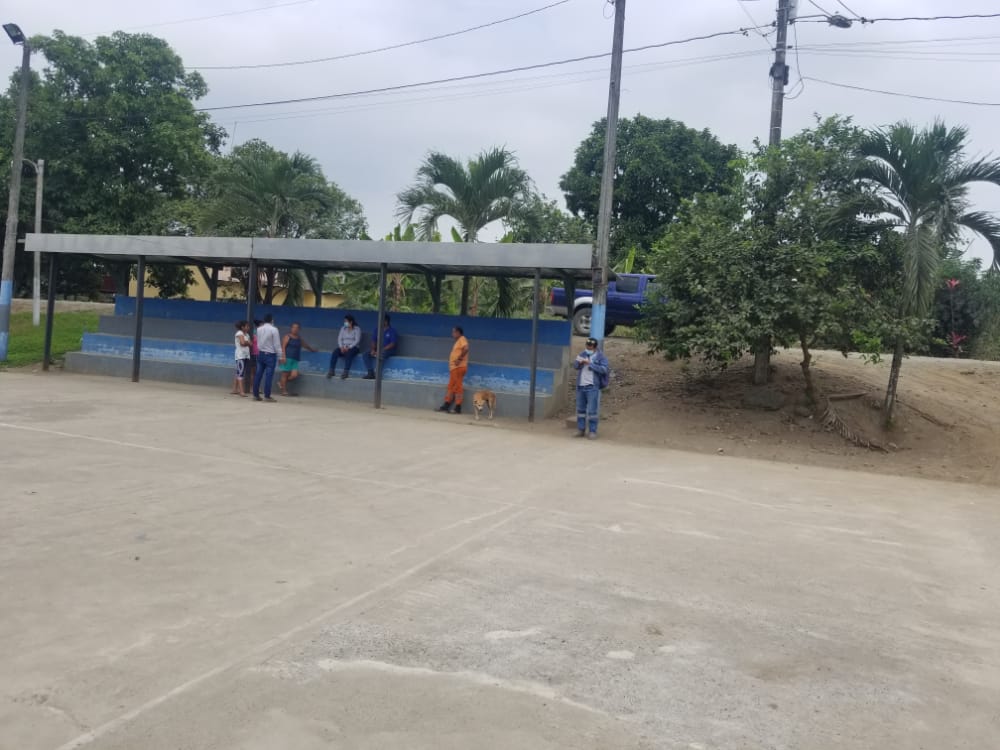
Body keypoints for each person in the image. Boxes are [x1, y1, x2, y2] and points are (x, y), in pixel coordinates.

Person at [573, 337, 609, 439]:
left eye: (590, 347)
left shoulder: (601, 357)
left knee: (592, 411)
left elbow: (604, 369)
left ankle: (592, 431)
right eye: (587, 346)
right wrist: (580, 362)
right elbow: (575, 366)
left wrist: (590, 364)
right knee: (580, 410)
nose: (588, 348)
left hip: (592, 387)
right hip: (581, 386)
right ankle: (581, 429)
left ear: (595, 347)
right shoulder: (582, 354)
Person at [278, 322, 318, 396]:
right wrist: (283, 357)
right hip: (287, 358)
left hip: (295, 359)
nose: (295, 329)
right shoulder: (287, 336)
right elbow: (283, 347)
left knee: (294, 375)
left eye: (297, 328)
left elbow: (305, 345)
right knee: (285, 374)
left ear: (299, 329)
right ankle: (284, 391)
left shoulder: (299, 338)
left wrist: (312, 350)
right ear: (291, 328)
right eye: (293, 327)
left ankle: (281, 383)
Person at [437, 326, 469, 414]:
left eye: (453, 332)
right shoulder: (458, 341)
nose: (452, 334)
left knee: (458, 387)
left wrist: (459, 359)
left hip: (459, 367)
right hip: (454, 368)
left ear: (458, 332)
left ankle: (458, 407)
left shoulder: (462, 339)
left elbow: (466, 348)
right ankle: (446, 405)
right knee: (451, 386)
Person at [252, 314, 281, 402]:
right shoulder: (274, 330)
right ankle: (267, 396)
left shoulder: (259, 329)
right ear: (272, 320)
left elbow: (258, 342)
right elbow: (277, 344)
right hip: (270, 355)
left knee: (258, 375)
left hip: (260, 354)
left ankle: (255, 395)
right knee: (269, 376)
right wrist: (280, 355)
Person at [362, 314, 398, 380]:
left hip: (389, 350)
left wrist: (381, 350)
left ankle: (377, 374)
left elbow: (392, 344)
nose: (380, 322)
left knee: (381, 354)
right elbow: (373, 341)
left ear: (386, 321)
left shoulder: (392, 331)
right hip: (378, 349)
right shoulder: (377, 329)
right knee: (365, 354)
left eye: (382, 321)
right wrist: (373, 349)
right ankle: (370, 373)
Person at [327, 314, 362, 379]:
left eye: (346, 321)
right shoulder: (343, 328)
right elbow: (339, 339)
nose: (345, 323)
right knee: (335, 352)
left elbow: (357, 340)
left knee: (349, 353)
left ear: (351, 322)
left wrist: (349, 347)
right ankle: (331, 371)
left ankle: (346, 372)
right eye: (344, 321)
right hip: (343, 347)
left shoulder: (357, 329)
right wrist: (341, 347)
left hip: (353, 347)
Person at [232, 320, 251, 397]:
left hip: (245, 355)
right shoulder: (239, 333)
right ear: (242, 327)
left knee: (239, 372)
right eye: (247, 326)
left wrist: (247, 342)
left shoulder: (247, 335)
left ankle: (234, 389)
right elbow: (243, 343)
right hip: (240, 356)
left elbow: (250, 344)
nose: (248, 327)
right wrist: (247, 342)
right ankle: (241, 391)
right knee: (241, 373)